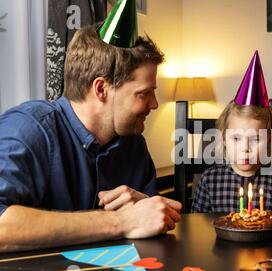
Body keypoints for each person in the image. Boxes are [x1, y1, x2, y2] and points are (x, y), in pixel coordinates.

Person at [0, 6, 181, 253]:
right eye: (144, 93)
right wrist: (121, 221)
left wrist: (149, 207)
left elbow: (151, 229)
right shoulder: (28, 130)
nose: (154, 104)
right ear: (101, 89)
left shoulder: (133, 144)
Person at [191, 52, 272, 214]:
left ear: (269, 140)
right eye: (236, 138)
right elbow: (196, 227)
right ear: (224, 138)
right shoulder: (210, 180)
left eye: (255, 139)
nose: (245, 148)